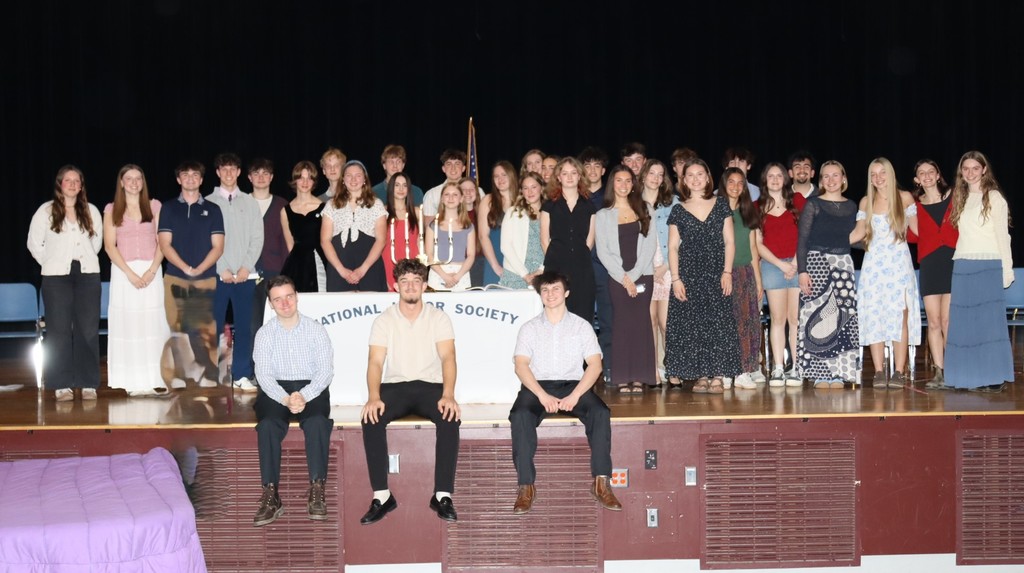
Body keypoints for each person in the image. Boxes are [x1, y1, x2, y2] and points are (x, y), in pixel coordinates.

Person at [509, 271, 622, 515]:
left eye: (556, 289)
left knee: (600, 413)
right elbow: (520, 366)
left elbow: (595, 365)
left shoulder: (582, 326)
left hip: (573, 385)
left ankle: (601, 483)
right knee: (519, 416)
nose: (551, 294)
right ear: (540, 295)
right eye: (546, 290)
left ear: (566, 293)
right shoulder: (529, 328)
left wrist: (574, 396)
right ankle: (526, 486)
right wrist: (542, 396)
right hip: (538, 386)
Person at [360, 258, 461, 525]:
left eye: (416, 281)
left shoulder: (438, 317)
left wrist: (448, 394)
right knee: (371, 416)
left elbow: (448, 357)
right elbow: (375, 362)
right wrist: (373, 396)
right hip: (395, 386)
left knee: (450, 415)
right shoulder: (384, 320)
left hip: (431, 386)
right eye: (405, 281)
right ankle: (382, 496)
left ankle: (442, 494)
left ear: (425, 286)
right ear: (396, 286)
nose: (411, 286)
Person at [251, 275, 334, 527]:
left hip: (311, 387)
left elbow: (325, 371)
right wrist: (285, 398)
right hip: (276, 389)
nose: (285, 303)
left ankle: (317, 490)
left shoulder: (315, 329)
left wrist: (304, 395)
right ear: (271, 303)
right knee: (267, 425)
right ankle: (271, 494)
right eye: (278, 299)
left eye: (289, 296)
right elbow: (263, 375)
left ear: (297, 296)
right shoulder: (264, 334)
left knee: (318, 421)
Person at [27, 165, 103, 402]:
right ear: (60, 183)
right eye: (67, 180)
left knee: (88, 330)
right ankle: (61, 384)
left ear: (81, 185)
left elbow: (97, 243)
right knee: (58, 330)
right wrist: (50, 263)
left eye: (76, 180)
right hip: (55, 277)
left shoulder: (91, 210)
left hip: (88, 275)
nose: (72, 184)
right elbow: (33, 244)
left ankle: (88, 382)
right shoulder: (46, 211)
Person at [665, 159, 741, 393]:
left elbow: (730, 241)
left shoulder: (720, 204)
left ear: (708, 178)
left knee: (718, 323)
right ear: (684, 180)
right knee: (692, 325)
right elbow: (673, 247)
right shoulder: (678, 209)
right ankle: (699, 375)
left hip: (717, 273)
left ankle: (717, 374)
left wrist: (727, 271)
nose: (696, 179)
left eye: (700, 174)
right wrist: (676, 279)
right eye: (691, 175)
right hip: (689, 275)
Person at [943, 151, 1013, 392]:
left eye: (975, 168)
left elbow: (1004, 237)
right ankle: (964, 376)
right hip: (963, 263)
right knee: (963, 325)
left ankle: (993, 376)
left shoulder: (994, 197)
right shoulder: (959, 196)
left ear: (984, 170)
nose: (970, 172)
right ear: (961, 172)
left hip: (988, 264)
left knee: (988, 324)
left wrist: (1007, 270)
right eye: (966, 168)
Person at [102, 164, 170, 397]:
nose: (133, 182)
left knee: (152, 324)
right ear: (121, 183)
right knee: (129, 325)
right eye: (128, 178)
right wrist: (129, 273)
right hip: (124, 273)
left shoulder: (154, 206)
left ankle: (154, 379)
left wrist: (152, 270)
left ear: (143, 182)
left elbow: (163, 241)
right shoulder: (112, 209)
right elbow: (109, 245)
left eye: (138, 178)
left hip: (151, 271)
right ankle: (132, 381)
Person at [158, 160, 224, 389]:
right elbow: (165, 244)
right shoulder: (168, 208)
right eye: (185, 175)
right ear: (178, 179)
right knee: (177, 328)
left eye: (195, 175)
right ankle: (178, 376)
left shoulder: (213, 210)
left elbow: (218, 246)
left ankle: (207, 374)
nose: (190, 178)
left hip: (204, 278)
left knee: (201, 329)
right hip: (176, 276)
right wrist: (186, 268)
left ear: (202, 180)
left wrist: (199, 269)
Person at [855, 157, 920, 388]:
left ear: (890, 174)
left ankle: (899, 371)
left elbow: (918, 230)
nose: (878, 178)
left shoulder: (904, 198)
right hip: (873, 265)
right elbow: (858, 234)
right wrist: (827, 241)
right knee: (874, 315)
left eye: (882, 173)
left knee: (899, 316)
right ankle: (880, 371)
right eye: (873, 174)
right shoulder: (866, 202)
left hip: (898, 265)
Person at [796, 161, 862, 387]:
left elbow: (857, 238)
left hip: (843, 263)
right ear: (821, 180)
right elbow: (803, 240)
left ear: (843, 178)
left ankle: (840, 372)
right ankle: (819, 373)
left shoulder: (853, 206)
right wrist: (802, 271)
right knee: (816, 319)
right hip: (816, 263)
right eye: (826, 176)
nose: (831, 180)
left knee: (842, 318)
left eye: (835, 175)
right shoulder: (813, 204)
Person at [596, 166, 658, 392]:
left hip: (643, 276)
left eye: (628, 181)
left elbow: (650, 247)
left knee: (641, 324)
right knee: (621, 325)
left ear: (633, 184)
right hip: (617, 278)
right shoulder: (603, 215)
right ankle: (622, 377)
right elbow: (603, 251)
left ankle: (641, 376)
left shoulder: (646, 208)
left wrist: (632, 277)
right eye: (618, 180)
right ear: (612, 184)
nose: (623, 185)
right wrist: (624, 278)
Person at [206, 153, 265, 391]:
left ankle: (241, 374)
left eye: (233, 169)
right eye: (224, 169)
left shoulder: (250, 203)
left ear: (239, 172)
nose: (229, 174)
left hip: (244, 276)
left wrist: (245, 267)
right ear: (218, 173)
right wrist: (222, 268)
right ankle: (211, 376)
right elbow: (206, 241)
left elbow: (257, 238)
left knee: (245, 327)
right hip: (218, 276)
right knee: (212, 326)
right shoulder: (207, 202)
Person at [755, 162, 805, 387]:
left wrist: (794, 263)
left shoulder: (798, 202)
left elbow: (806, 234)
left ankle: (795, 367)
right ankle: (777, 367)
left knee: (794, 318)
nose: (775, 179)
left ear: (786, 179)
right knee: (777, 318)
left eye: (779, 176)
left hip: (797, 263)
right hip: (772, 266)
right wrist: (780, 265)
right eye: (770, 176)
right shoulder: (756, 207)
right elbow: (758, 243)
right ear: (765, 180)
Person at [910, 160, 958, 388]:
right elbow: (913, 235)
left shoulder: (955, 196)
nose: (927, 176)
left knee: (949, 320)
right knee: (934, 320)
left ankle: (956, 369)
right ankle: (940, 372)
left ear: (938, 174)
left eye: (931, 171)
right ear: (917, 179)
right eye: (922, 173)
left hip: (952, 261)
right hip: (929, 264)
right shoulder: (914, 205)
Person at [721, 168, 764, 390]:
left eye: (740, 183)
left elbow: (754, 248)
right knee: (727, 323)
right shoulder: (716, 209)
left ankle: (744, 371)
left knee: (747, 323)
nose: (736, 186)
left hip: (745, 272)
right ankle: (726, 371)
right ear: (724, 183)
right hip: (724, 273)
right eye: (731, 181)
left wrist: (758, 281)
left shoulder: (748, 212)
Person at [541, 157, 596, 322]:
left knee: (583, 317)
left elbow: (590, 241)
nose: (569, 177)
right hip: (555, 268)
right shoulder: (549, 205)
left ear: (580, 176)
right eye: (565, 173)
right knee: (555, 316)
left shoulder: (589, 206)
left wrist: (576, 260)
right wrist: (557, 262)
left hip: (582, 270)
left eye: (574, 173)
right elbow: (545, 240)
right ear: (558, 177)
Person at [639, 159, 678, 386]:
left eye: (660, 174)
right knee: (649, 321)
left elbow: (679, 240)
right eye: (651, 173)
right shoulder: (633, 203)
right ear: (643, 175)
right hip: (643, 269)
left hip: (665, 267)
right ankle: (652, 371)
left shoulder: (672, 204)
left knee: (666, 322)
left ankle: (672, 368)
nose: (655, 177)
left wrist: (665, 268)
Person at [320, 160, 387, 292]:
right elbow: (325, 241)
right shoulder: (331, 205)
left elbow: (381, 240)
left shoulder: (376, 204)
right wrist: (341, 270)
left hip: (369, 268)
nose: (353, 179)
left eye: (358, 175)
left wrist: (363, 269)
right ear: (343, 179)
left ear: (364, 179)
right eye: (349, 175)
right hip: (338, 270)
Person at [248, 158, 289, 346]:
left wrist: (286, 273)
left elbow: (287, 241)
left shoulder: (282, 205)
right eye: (256, 173)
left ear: (272, 177)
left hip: (275, 272)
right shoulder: (242, 204)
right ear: (249, 177)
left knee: (278, 322)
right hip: (246, 273)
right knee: (251, 323)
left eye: (265, 173)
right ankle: (252, 368)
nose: (261, 177)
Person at [580, 147, 612, 381]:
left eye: (596, 165)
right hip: (580, 267)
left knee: (608, 319)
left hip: (605, 268)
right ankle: (579, 370)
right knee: (582, 320)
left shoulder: (611, 198)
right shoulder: (575, 196)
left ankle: (609, 367)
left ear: (603, 169)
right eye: (587, 165)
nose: (592, 170)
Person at [281, 161, 327, 293]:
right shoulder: (285, 211)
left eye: (309, 178)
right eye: (301, 178)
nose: (305, 182)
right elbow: (290, 243)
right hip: (297, 265)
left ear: (314, 182)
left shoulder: (324, 208)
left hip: (320, 262)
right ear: (295, 180)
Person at [425, 182, 476, 291]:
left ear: (461, 199)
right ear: (442, 199)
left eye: (455, 194)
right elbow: (429, 254)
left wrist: (457, 276)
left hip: (461, 274)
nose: (451, 198)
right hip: (438, 274)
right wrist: (444, 276)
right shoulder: (433, 226)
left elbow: (471, 255)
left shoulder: (468, 226)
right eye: (447, 194)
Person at [499, 171, 545, 289]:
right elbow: (505, 246)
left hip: (543, 274)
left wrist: (542, 269)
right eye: (525, 188)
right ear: (521, 191)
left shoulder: (551, 212)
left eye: (534, 187)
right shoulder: (513, 212)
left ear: (541, 188)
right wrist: (525, 274)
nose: (530, 192)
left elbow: (555, 245)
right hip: (516, 274)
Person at [478, 161, 519, 286]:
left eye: (504, 175)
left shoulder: (523, 199)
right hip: (494, 260)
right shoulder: (488, 200)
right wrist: (495, 266)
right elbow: (483, 236)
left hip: (519, 262)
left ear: (511, 175)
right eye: (496, 176)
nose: (500, 179)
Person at [382, 172, 422, 292]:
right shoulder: (382, 211)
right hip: (389, 262)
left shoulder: (417, 212)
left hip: (412, 263)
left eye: (404, 185)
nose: (401, 189)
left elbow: (421, 242)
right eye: (397, 185)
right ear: (391, 188)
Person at [423, 149, 481, 226]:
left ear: (463, 168)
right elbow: (429, 226)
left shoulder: (477, 191)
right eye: (449, 164)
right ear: (443, 169)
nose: (453, 168)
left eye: (457, 164)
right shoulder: (432, 194)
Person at [460, 177, 484, 287]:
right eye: (464, 189)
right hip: (460, 264)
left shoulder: (484, 215)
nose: (468, 192)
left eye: (472, 189)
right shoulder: (452, 216)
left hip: (480, 265)